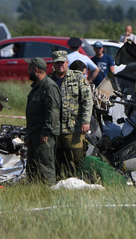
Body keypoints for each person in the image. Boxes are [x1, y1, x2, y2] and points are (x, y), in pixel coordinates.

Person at [49, 50, 92, 178]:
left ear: (67, 63)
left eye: (62, 62)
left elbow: (87, 101)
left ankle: (77, 182)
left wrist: (85, 121)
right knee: (58, 159)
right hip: (55, 128)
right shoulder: (49, 80)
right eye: (57, 63)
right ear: (54, 64)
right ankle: (61, 182)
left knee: (76, 158)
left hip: (73, 127)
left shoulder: (77, 77)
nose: (60, 65)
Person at [24, 57, 61, 184]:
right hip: (34, 132)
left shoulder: (49, 87)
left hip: (44, 134)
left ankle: (48, 192)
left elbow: (53, 112)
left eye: (29, 69)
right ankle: (34, 191)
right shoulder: (37, 86)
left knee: (45, 166)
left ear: (36, 70)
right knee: (32, 166)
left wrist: (46, 132)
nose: (27, 71)